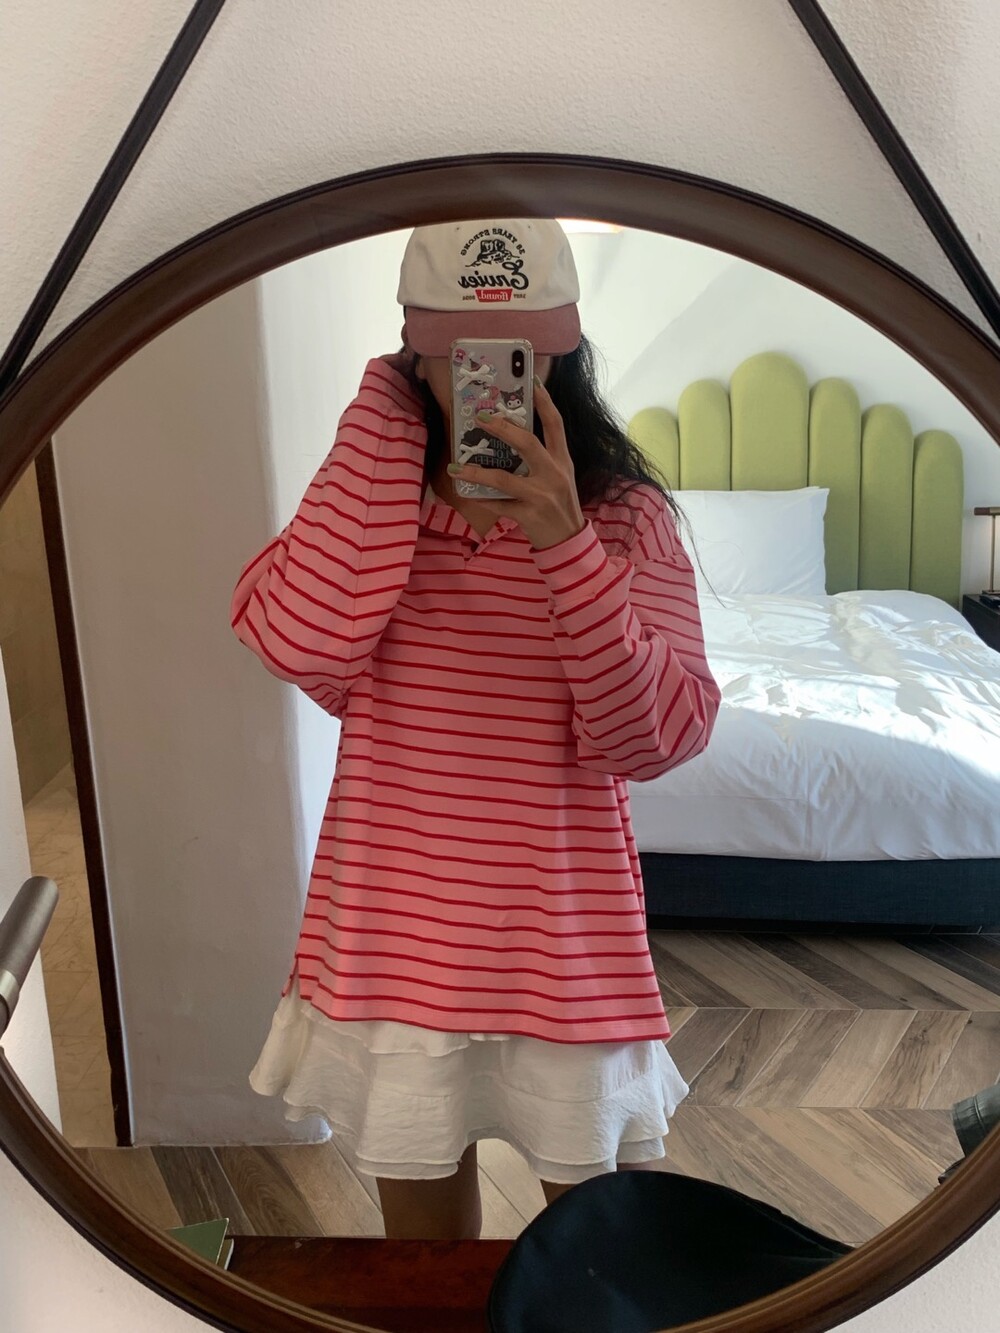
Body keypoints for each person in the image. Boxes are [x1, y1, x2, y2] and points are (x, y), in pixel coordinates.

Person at [230, 218, 722, 1241]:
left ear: (563, 353)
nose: (488, 382)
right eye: (457, 356)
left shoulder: (624, 517)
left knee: (594, 1257)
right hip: (395, 939)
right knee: (425, 1269)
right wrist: (378, 418)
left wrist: (565, 544)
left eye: (519, 354)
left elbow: (656, 737)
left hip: (564, 939)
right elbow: (294, 638)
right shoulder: (375, 511)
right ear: (414, 352)